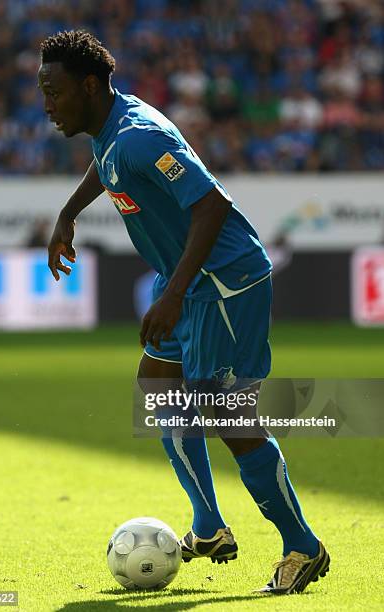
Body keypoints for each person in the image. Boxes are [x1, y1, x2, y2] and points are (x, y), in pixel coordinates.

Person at [39, 30, 329, 595]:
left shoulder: (141, 137)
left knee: (225, 417)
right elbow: (106, 165)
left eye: (54, 91)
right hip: (188, 285)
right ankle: (209, 526)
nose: (47, 104)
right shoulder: (110, 129)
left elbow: (212, 203)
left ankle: (303, 545)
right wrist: (68, 213)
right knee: (158, 385)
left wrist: (174, 293)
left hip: (225, 285)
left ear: (90, 86)